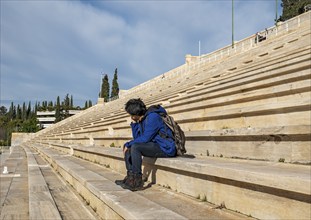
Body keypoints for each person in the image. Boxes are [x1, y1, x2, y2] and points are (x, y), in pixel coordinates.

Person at [116, 98, 176, 191]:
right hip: (155, 145)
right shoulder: (143, 119)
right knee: (130, 146)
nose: (131, 116)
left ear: (135, 113)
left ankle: (137, 181)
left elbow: (145, 138)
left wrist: (129, 144)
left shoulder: (153, 117)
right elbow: (137, 139)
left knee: (134, 146)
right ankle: (130, 177)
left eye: (131, 114)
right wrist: (135, 124)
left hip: (166, 147)